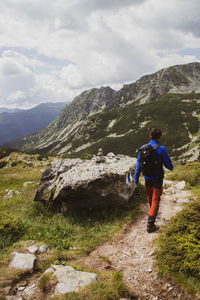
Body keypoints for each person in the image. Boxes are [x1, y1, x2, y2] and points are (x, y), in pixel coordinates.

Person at [134, 128, 174, 233]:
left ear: (150, 136)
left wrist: (136, 179)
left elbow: (138, 165)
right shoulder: (161, 149)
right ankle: (150, 224)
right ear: (159, 137)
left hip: (147, 177)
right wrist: (170, 167)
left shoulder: (143, 148)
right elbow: (169, 166)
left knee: (150, 197)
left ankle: (152, 212)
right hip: (157, 178)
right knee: (156, 199)